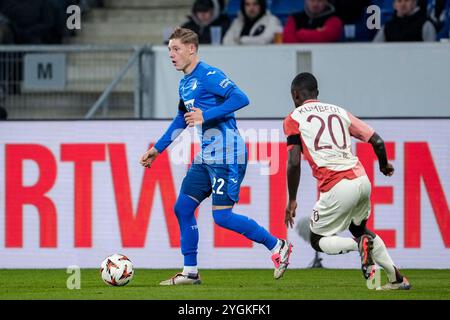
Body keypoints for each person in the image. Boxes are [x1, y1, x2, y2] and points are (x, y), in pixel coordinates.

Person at [140, 27, 293, 285]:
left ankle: (278, 246)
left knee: (221, 216)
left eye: (176, 49)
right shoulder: (185, 83)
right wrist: (158, 149)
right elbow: (182, 119)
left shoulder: (209, 75)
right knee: (183, 207)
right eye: (169, 50)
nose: (171, 55)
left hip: (228, 154)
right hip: (206, 156)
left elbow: (241, 98)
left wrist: (206, 116)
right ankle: (190, 272)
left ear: (192, 49)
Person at [283, 73, 411, 290]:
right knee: (361, 229)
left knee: (317, 239)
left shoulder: (293, 118)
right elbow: (377, 141)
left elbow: (294, 161)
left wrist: (292, 199)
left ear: (295, 95)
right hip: (362, 180)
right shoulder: (339, 111)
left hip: (336, 185)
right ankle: (396, 278)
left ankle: (358, 246)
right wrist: (383, 165)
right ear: (317, 94)